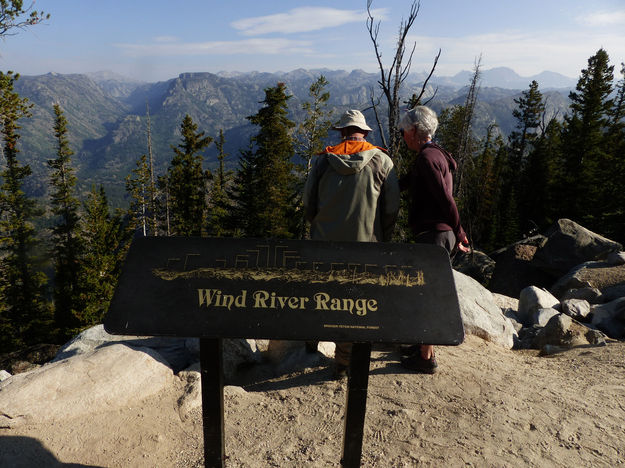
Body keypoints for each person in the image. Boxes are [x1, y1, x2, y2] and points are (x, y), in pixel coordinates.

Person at [303, 109, 400, 378]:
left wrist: (319, 226)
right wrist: (382, 237)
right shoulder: (382, 161)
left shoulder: (323, 162)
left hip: (324, 245)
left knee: (321, 295)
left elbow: (308, 205)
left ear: (342, 132)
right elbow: (391, 208)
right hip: (364, 247)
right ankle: (343, 362)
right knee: (352, 303)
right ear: (365, 133)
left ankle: (311, 342)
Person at [398, 105, 470, 374]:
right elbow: (406, 182)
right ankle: (422, 347)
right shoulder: (435, 155)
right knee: (426, 291)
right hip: (441, 234)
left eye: (405, 131)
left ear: (416, 131)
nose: (403, 135)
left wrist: (460, 232)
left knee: (426, 294)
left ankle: (426, 358)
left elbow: (445, 199)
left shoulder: (428, 159)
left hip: (435, 235)